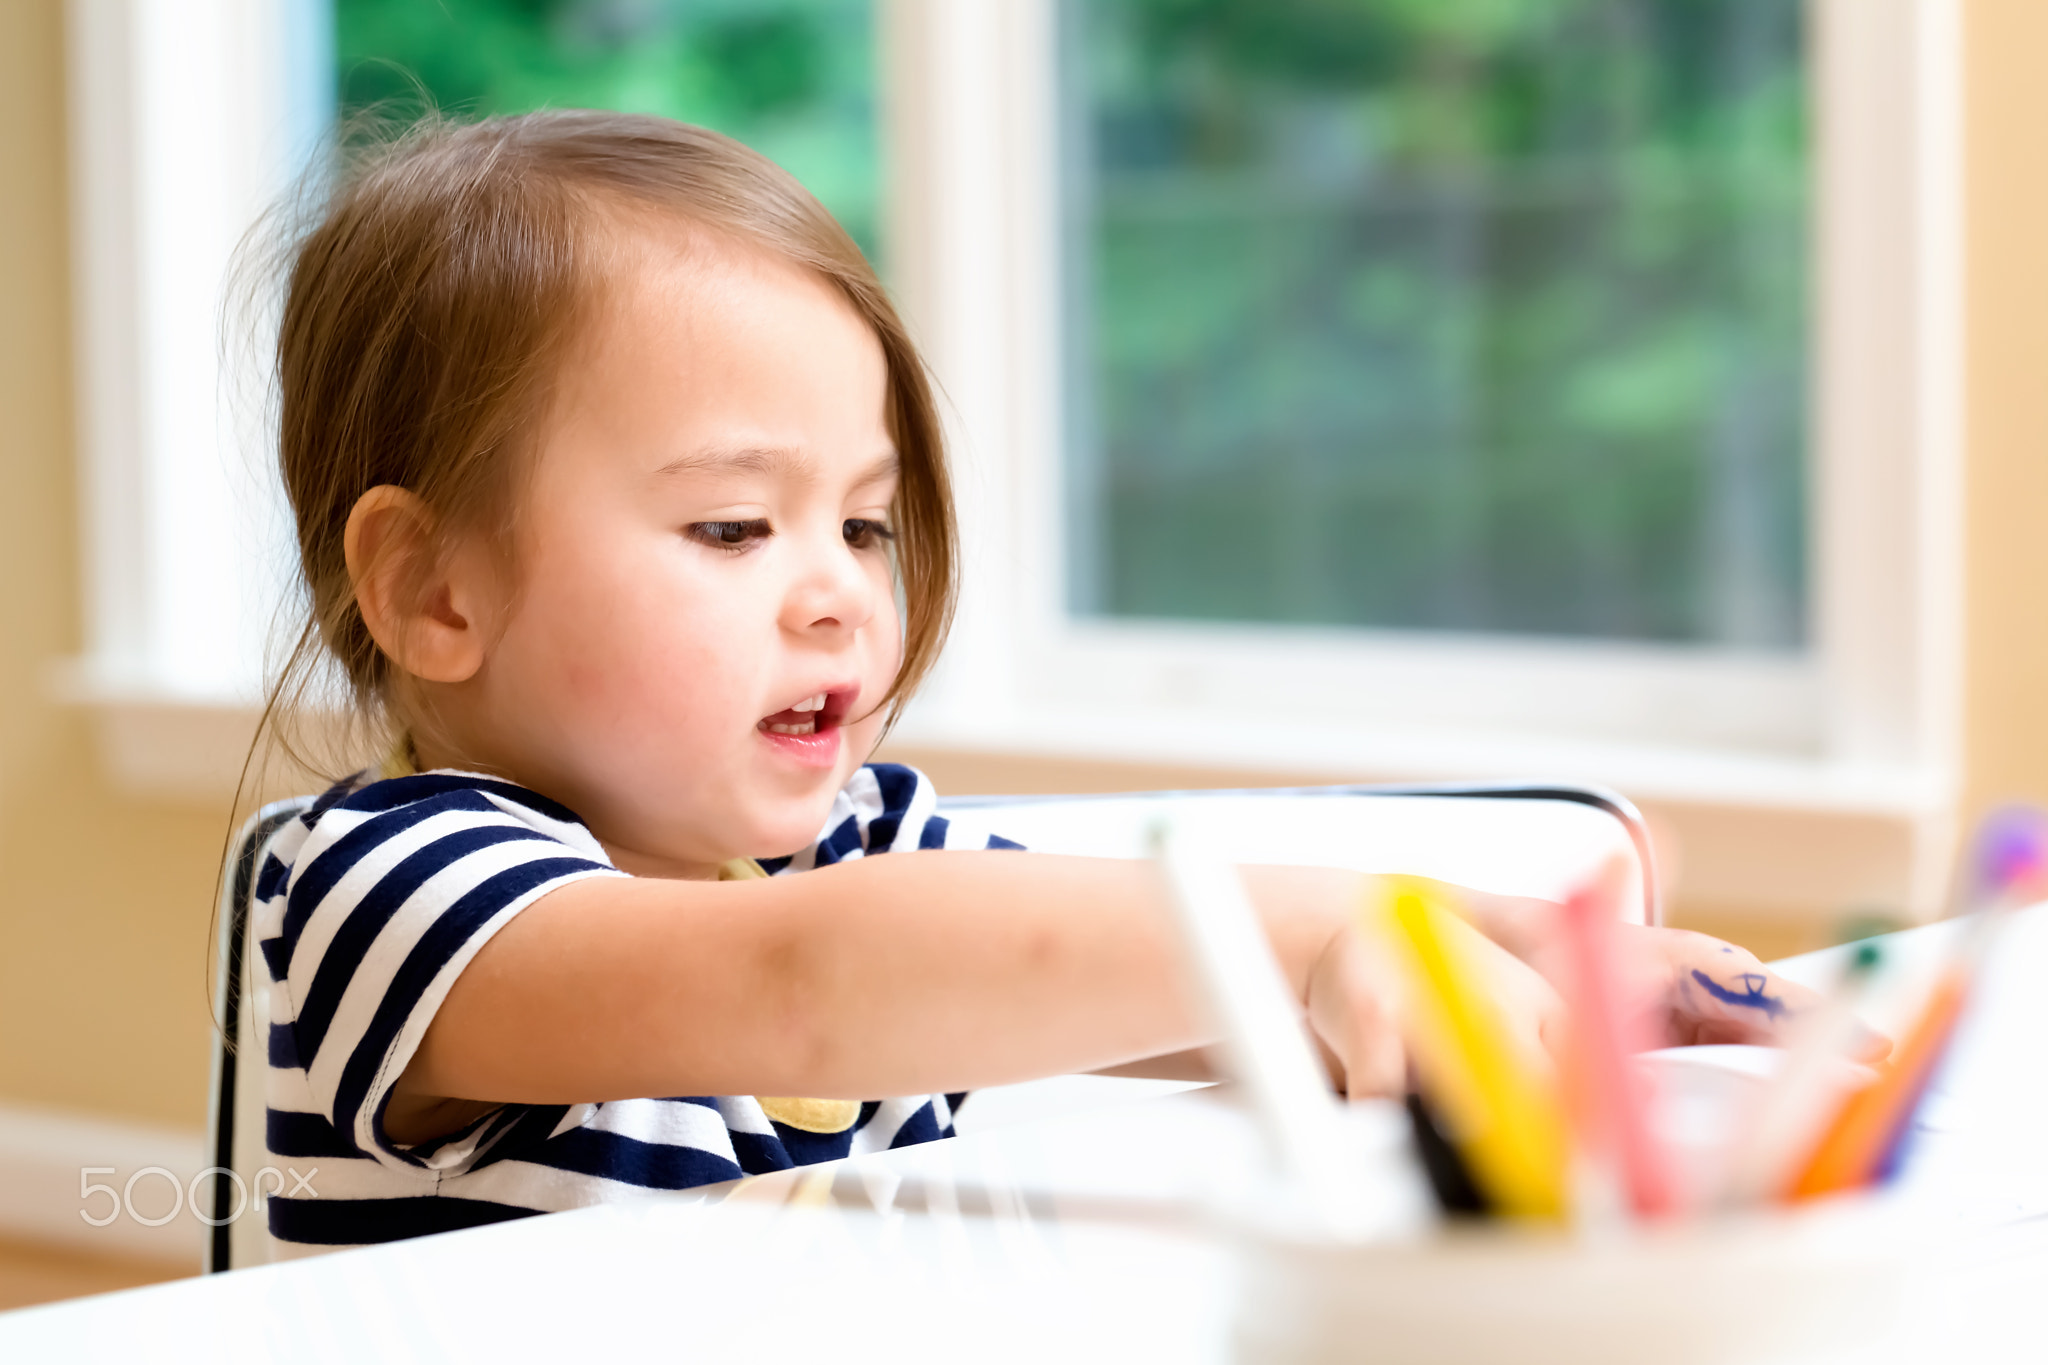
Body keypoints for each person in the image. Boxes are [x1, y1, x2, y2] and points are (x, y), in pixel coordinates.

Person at [249, 110, 1830, 1254]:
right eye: (732, 524)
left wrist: (1488, 971)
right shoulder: (382, 890)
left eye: (864, 522)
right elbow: (802, 987)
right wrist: (1348, 922)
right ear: (429, 588)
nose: (839, 594)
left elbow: (1147, 987)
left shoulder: (865, 839)